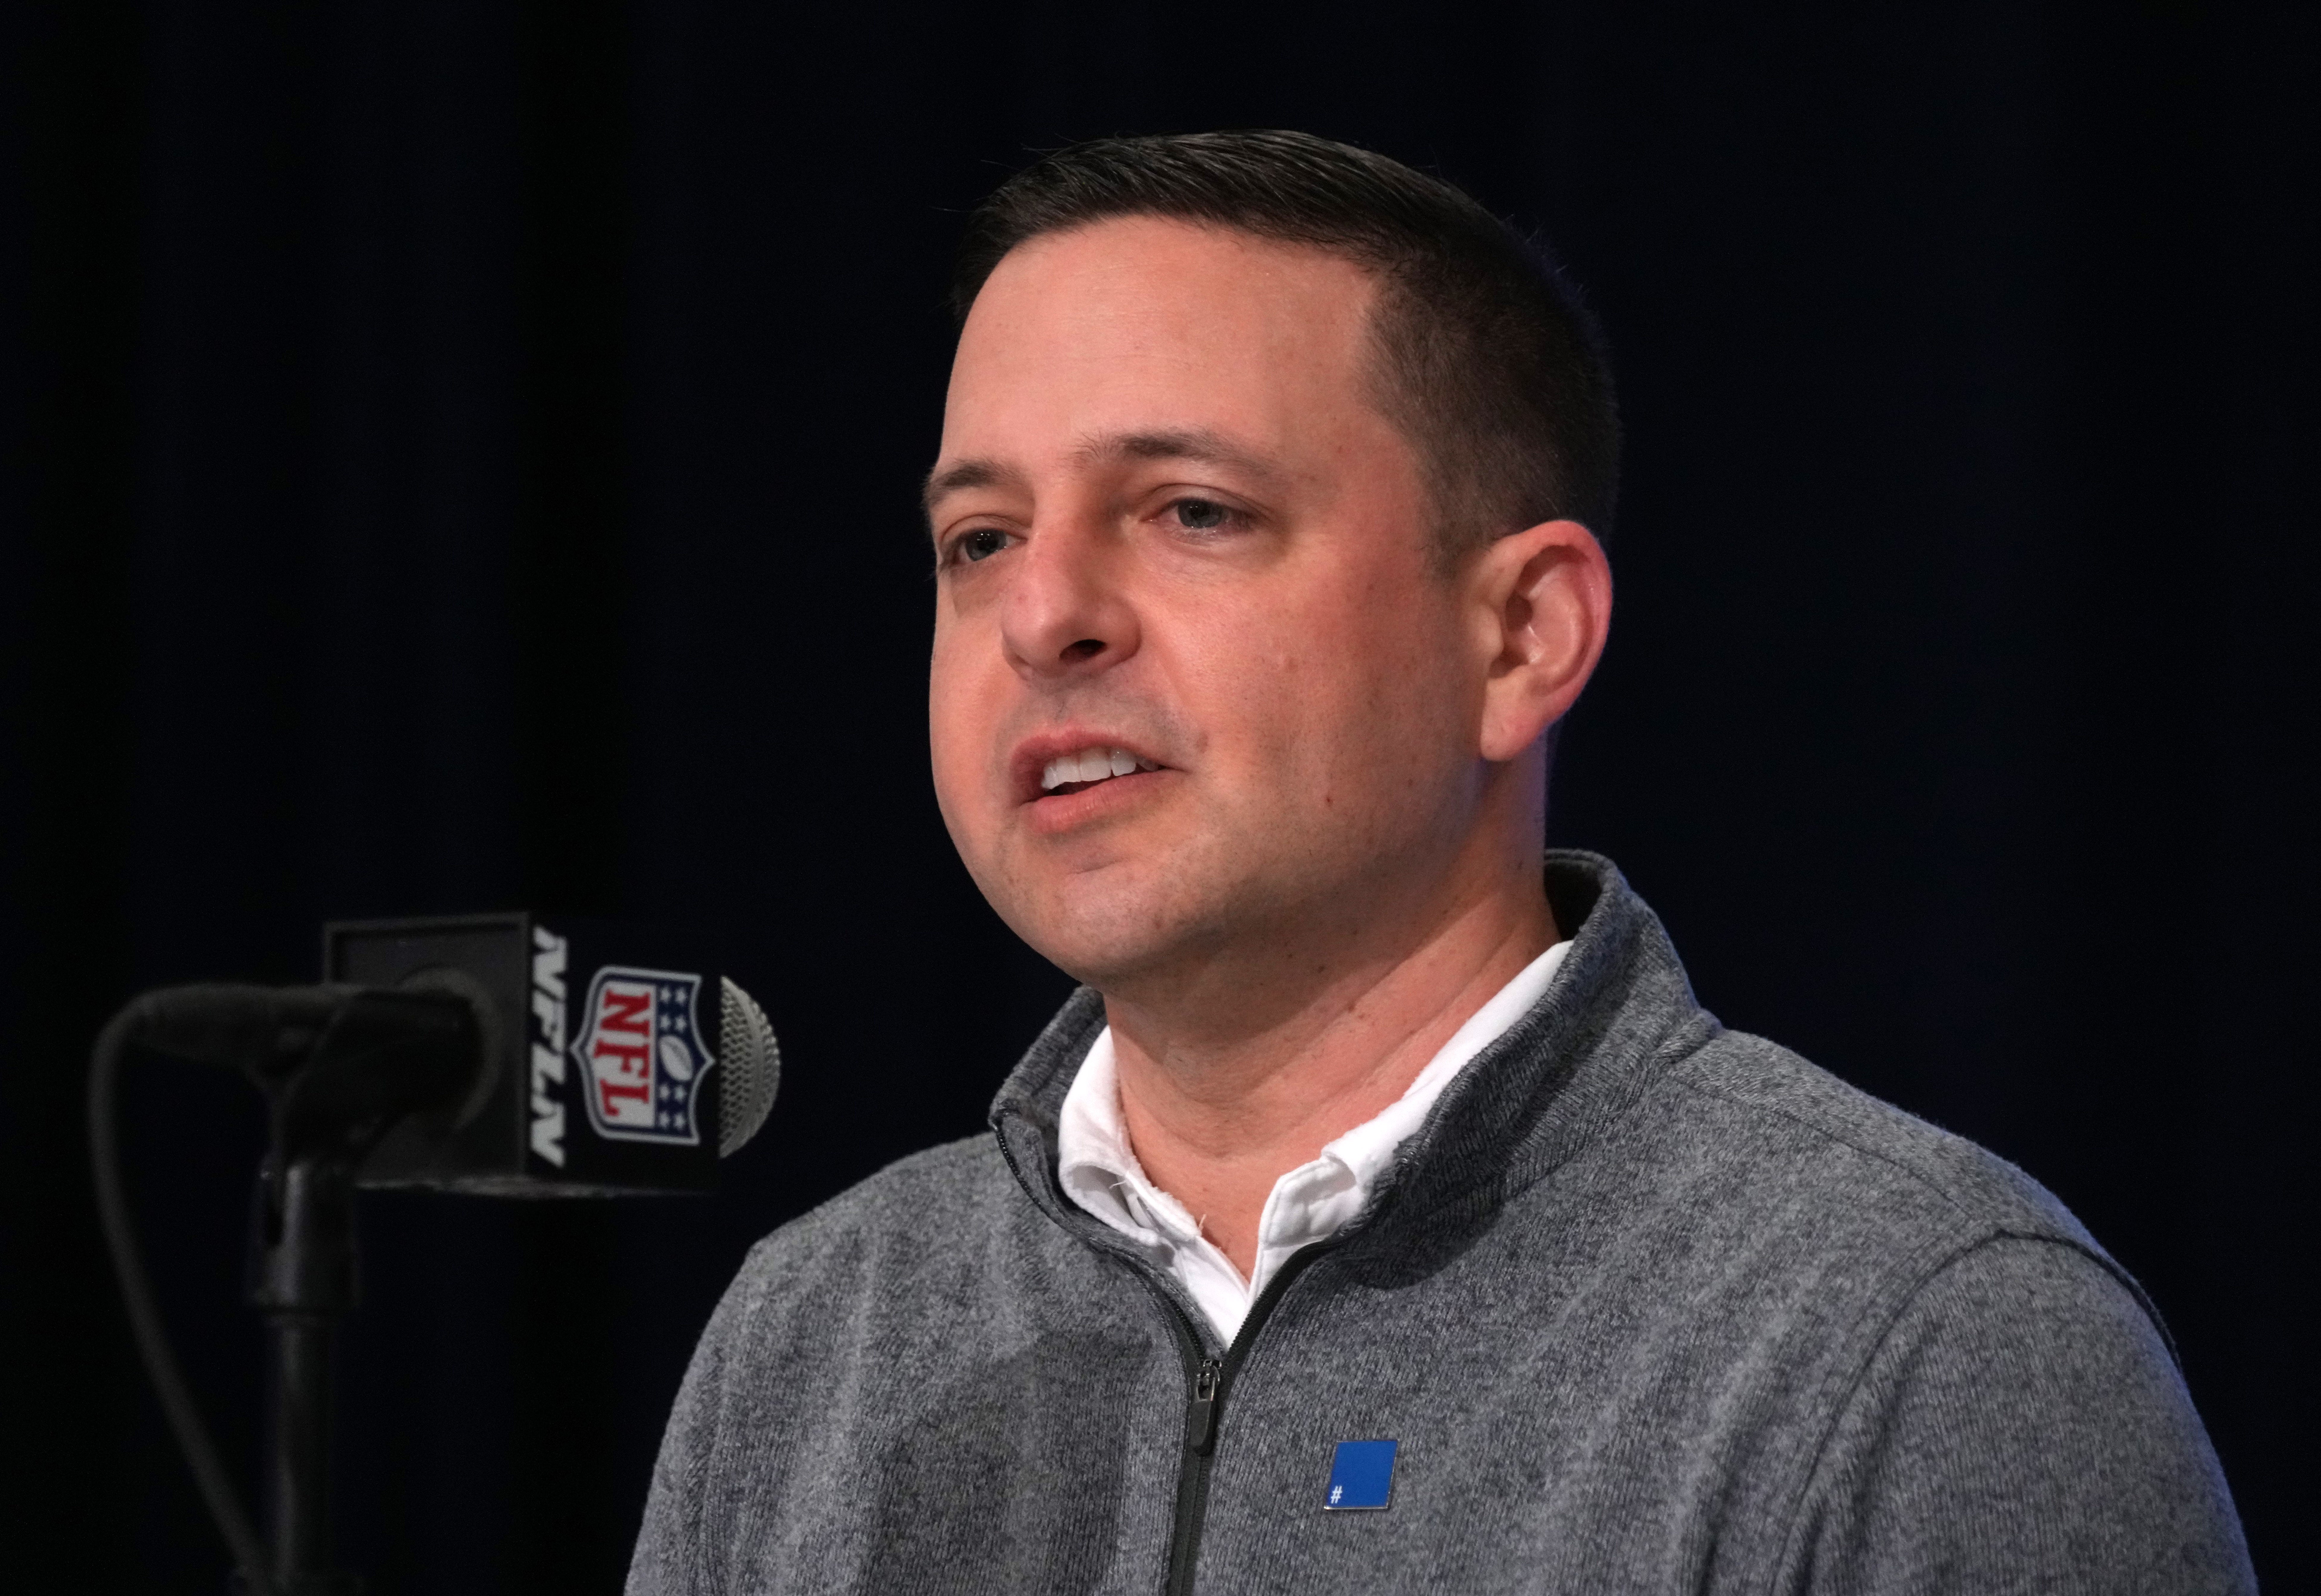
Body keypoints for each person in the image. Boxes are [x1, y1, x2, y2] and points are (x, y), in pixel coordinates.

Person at [628, 130, 2251, 1594]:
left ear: (1520, 635)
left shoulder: (1921, 1335)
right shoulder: (820, 1334)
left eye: (1190, 511)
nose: (1044, 614)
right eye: (978, 538)